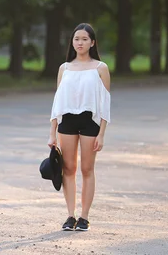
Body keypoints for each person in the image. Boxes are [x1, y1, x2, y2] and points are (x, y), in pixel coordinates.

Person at [48, 23, 111, 232]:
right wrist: (52, 132)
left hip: (90, 122)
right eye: (77, 39)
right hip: (67, 121)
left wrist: (101, 134)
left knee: (86, 169)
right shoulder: (64, 69)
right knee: (68, 169)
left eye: (84, 39)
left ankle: (84, 217)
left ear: (92, 42)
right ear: (72, 42)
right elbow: (57, 101)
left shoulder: (100, 68)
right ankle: (70, 215)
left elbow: (105, 104)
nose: (80, 43)